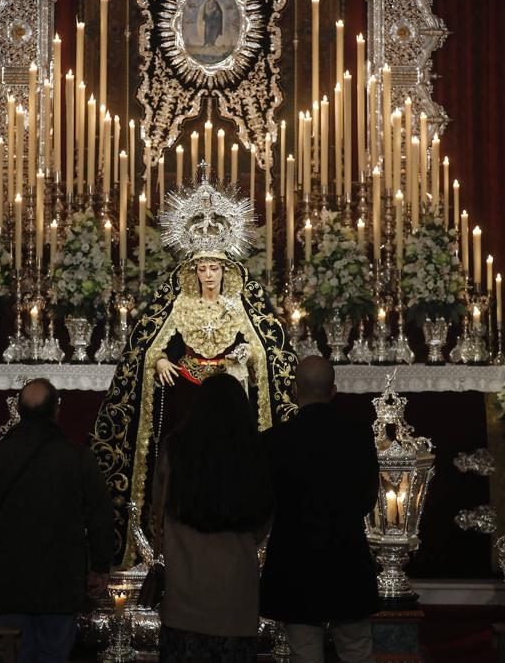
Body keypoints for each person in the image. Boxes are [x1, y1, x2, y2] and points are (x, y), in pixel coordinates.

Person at [91, 177, 297, 567]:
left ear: (225, 271)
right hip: (185, 394)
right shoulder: (179, 303)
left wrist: (242, 359)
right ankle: (164, 542)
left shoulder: (240, 306)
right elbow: (148, 346)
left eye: (214, 268)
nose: (208, 275)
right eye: (202, 267)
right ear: (193, 271)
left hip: (231, 399)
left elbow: (264, 350)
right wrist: (160, 361)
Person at [0, 378, 114, 663]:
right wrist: (100, 566)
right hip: (61, 580)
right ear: (56, 411)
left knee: (17, 653)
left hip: (11, 579)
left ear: (19, 411)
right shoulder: (77, 458)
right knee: (55, 653)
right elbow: (100, 514)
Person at [260, 356, 379, 663]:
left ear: (295, 391)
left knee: (304, 653)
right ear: (333, 390)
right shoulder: (359, 436)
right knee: (357, 650)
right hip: (347, 556)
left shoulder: (274, 441)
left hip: (294, 560)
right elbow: (367, 498)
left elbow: (267, 503)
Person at [154, 373, 273, 663]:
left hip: (185, 590)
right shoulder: (256, 451)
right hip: (236, 597)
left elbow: (158, 511)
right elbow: (264, 518)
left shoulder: (175, 449)